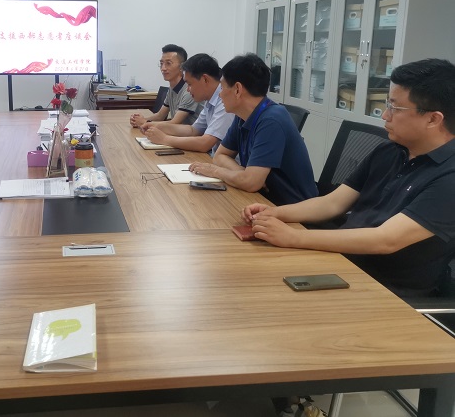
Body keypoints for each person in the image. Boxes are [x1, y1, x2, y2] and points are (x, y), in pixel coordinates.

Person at [243, 58, 455, 298]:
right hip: (341, 262)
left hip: (386, 290)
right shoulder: (389, 150)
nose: (385, 115)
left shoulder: (449, 177)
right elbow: (332, 203)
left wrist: (294, 236)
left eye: (395, 108)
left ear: (433, 119)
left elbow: (385, 240)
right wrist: (275, 213)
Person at [189, 53, 317, 205]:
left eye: (222, 88)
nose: (220, 95)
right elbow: (220, 156)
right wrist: (244, 174)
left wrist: (216, 171)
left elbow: (251, 183)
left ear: (237, 89)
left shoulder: (271, 120)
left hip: (292, 207)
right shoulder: (242, 115)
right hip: (261, 199)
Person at [140, 53, 234, 153]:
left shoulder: (225, 101)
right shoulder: (210, 100)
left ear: (205, 79)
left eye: (189, 84)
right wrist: (157, 126)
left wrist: (164, 139)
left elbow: (205, 143)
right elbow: (193, 130)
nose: (188, 89)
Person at [130, 44, 199, 128]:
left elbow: (174, 123)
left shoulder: (189, 90)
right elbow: (160, 116)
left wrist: (145, 122)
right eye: (161, 63)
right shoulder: (172, 88)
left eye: (168, 63)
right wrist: (139, 120)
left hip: (193, 134)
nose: (163, 68)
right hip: (177, 133)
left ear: (182, 66)